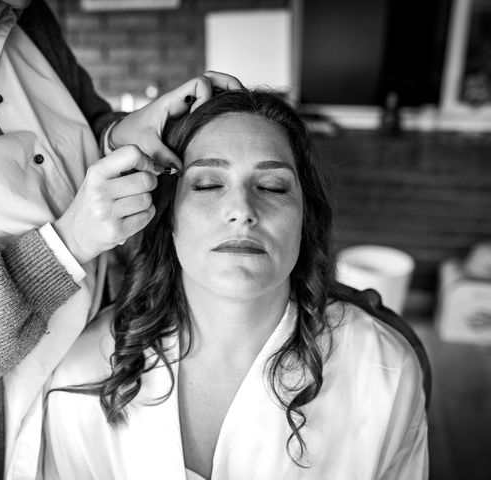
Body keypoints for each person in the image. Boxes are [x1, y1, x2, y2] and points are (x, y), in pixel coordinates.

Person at [0, 0, 242, 478]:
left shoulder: (22, 15)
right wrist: (67, 244)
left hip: (99, 395)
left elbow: (78, 127)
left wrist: (119, 135)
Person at [43, 89, 429, 479]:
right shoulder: (82, 374)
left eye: (272, 187)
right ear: (169, 216)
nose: (242, 211)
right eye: (208, 185)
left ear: (304, 219)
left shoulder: (385, 373)